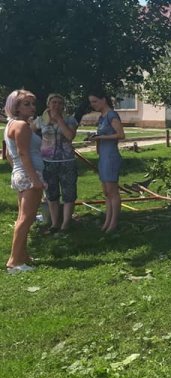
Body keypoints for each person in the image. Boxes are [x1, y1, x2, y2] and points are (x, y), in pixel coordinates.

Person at [4, 89, 44, 273]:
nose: (31, 107)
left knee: (24, 218)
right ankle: (14, 261)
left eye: (32, 103)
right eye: (26, 104)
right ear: (16, 107)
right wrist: (34, 179)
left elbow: (9, 155)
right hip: (29, 175)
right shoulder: (20, 125)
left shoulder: (13, 124)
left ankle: (23, 255)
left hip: (22, 173)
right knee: (26, 219)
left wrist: (18, 170)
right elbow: (22, 153)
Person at [33, 94, 78, 232]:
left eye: (59, 103)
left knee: (68, 193)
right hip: (48, 162)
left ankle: (65, 224)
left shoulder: (70, 120)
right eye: (53, 102)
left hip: (67, 161)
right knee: (51, 193)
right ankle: (54, 223)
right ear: (48, 104)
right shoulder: (41, 120)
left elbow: (70, 136)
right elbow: (28, 134)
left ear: (63, 105)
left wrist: (59, 119)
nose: (56, 105)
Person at [88, 89, 125, 233]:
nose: (93, 105)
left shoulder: (112, 115)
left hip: (111, 156)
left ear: (104, 99)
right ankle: (107, 221)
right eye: (91, 102)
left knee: (112, 191)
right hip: (103, 156)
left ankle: (114, 223)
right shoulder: (101, 117)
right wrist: (95, 140)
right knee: (106, 192)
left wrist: (100, 138)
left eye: (95, 101)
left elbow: (121, 135)